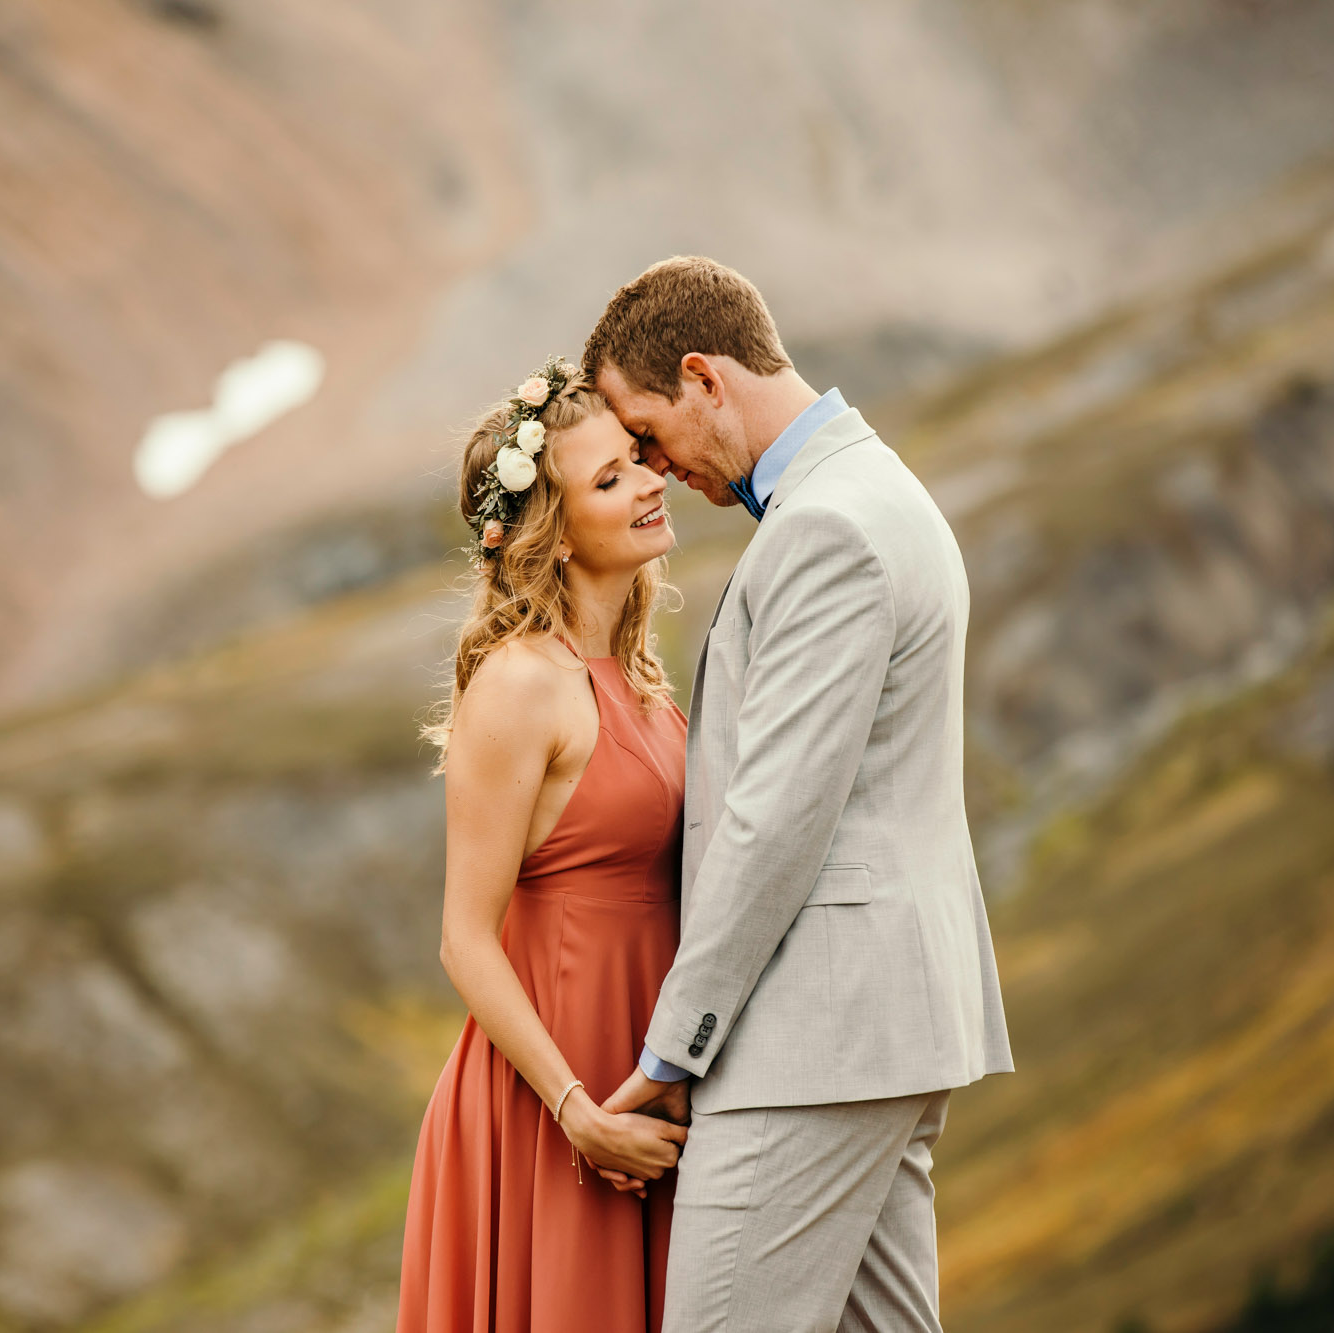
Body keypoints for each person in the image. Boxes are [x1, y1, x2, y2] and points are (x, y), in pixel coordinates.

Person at [584, 257, 1015, 1333]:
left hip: (812, 1042)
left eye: (646, 432)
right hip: (881, 1028)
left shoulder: (823, 528)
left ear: (702, 378)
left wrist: (676, 1045)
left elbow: (775, 820)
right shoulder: (872, 488)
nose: (652, 466)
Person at [397, 357, 692, 1333]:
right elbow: (463, 939)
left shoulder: (635, 677)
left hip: (639, 1088)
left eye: (637, 460)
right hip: (551, 1102)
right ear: (553, 537)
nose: (649, 482)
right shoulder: (521, 684)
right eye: (608, 480)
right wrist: (578, 1112)